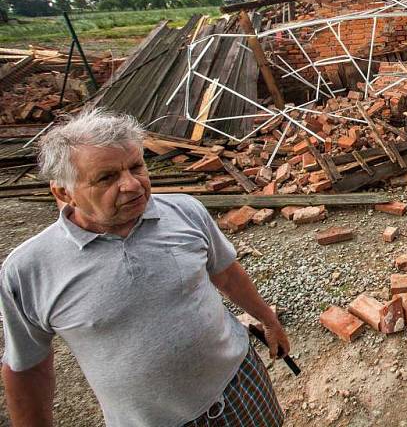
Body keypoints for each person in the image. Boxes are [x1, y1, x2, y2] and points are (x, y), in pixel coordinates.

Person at [0, 109, 289, 426]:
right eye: (107, 177)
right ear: (63, 192)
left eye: (137, 167)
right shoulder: (29, 270)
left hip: (241, 387)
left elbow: (227, 273)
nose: (132, 185)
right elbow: (28, 367)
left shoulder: (185, 212)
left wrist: (268, 320)